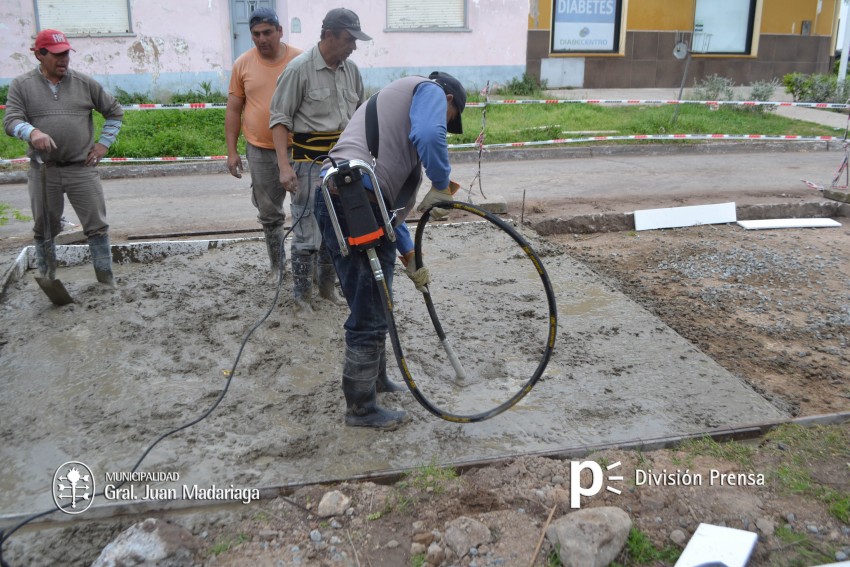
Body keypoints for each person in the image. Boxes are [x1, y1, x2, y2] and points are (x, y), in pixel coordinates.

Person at [316, 71, 467, 429]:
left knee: (377, 300)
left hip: (355, 201)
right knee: (369, 308)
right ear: (448, 102)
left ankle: (376, 380)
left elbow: (391, 215)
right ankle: (361, 408)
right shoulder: (427, 90)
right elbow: (431, 134)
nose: (444, 125)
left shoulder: (395, 127)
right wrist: (442, 185)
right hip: (351, 198)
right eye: (451, 119)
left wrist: (411, 258)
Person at [3, 29, 123, 286]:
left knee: (97, 226)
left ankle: (106, 280)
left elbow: (114, 112)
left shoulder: (84, 83)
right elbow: (11, 121)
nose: (64, 60)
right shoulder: (22, 86)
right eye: (57, 55)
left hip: (82, 168)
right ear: (39, 54)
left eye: (66, 53)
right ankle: (48, 277)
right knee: (45, 227)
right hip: (44, 170)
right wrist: (31, 131)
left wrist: (103, 145)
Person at [269, 8, 370, 312]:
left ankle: (327, 289)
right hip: (309, 165)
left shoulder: (351, 71)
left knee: (336, 230)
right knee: (306, 233)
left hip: (341, 167)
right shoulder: (298, 70)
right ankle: (302, 297)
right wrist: (284, 167)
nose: (353, 46)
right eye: (349, 39)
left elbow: (360, 117)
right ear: (329, 35)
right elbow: (279, 119)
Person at [226, 7, 303, 280]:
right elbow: (234, 109)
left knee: (306, 209)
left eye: (268, 32)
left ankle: (308, 267)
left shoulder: (300, 60)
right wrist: (232, 151)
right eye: (256, 34)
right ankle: (278, 267)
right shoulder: (242, 64)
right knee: (269, 213)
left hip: (300, 150)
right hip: (259, 150)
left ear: (280, 31)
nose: (262, 39)